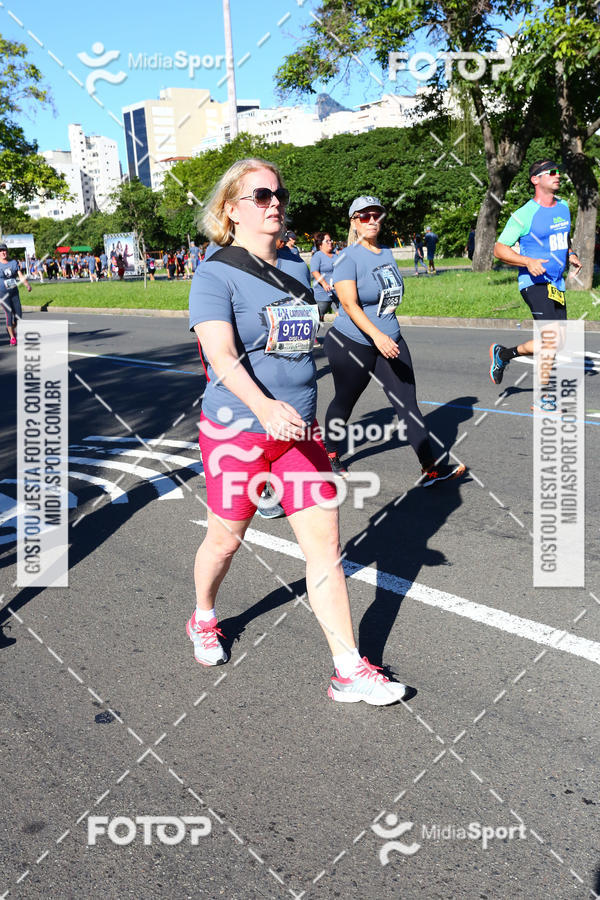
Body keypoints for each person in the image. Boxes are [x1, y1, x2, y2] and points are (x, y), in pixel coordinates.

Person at [187, 159, 408, 705]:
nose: (275, 202)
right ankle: (204, 616)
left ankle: (347, 668)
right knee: (224, 541)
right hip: (238, 430)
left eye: (279, 193)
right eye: (261, 195)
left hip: (299, 432)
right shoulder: (214, 274)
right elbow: (219, 354)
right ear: (230, 210)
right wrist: (263, 405)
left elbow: (298, 341)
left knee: (326, 551)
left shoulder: (293, 262)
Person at [323, 196, 467, 487]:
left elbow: (388, 299)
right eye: (365, 216)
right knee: (345, 401)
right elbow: (349, 305)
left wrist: (386, 333)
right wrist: (376, 336)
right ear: (353, 221)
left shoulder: (387, 254)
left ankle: (431, 469)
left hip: (390, 339)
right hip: (352, 342)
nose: (372, 220)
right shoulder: (346, 258)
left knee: (407, 404)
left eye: (376, 215)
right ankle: (330, 453)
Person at [489, 158, 582, 400]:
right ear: (535, 179)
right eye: (551, 172)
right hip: (533, 283)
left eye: (558, 172)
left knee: (555, 342)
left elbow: (562, 236)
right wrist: (527, 261)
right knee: (551, 340)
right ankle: (544, 399)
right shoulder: (524, 215)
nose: (557, 175)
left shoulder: (563, 207)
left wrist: (570, 253)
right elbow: (499, 249)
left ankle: (504, 354)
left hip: (556, 284)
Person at [0, 242, 32, 345]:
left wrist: (27, 285)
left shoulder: (13, 262)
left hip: (14, 292)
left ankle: (10, 328)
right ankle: (12, 337)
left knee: (18, 316)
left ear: (7, 252)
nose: (3, 253)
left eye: (4, 250)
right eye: (1, 251)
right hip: (2, 294)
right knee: (9, 314)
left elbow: (20, 275)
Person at [311, 232, 338, 321]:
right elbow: (315, 272)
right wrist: (324, 284)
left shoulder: (335, 256)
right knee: (318, 318)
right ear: (320, 244)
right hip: (322, 294)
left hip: (336, 293)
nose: (330, 242)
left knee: (341, 315)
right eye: (327, 241)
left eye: (331, 240)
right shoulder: (317, 256)